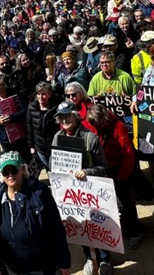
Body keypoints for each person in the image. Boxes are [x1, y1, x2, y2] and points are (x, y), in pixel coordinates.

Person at [0, 151, 71, 275]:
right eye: (6, 172)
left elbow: (56, 228)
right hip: (11, 268)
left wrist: (64, 262)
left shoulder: (39, 193)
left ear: (23, 169)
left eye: (14, 170)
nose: (10, 175)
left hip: (39, 267)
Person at [51, 101, 109, 275]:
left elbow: (103, 166)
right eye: (61, 117)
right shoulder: (57, 138)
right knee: (80, 226)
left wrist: (86, 172)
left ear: (76, 117)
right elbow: (53, 164)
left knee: (98, 225)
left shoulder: (90, 138)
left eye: (68, 116)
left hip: (92, 192)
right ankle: (89, 257)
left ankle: (105, 259)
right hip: (71, 194)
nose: (64, 120)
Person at [83, 104, 142, 250]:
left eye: (96, 124)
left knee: (126, 203)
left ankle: (136, 232)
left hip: (119, 170)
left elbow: (128, 154)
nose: (94, 127)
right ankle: (124, 228)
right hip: (103, 169)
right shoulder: (94, 125)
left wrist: (122, 176)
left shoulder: (118, 128)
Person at [0, 73, 31, 164]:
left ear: (5, 85)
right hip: (4, 138)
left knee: (25, 161)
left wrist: (12, 117)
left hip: (19, 137)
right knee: (10, 163)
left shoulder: (16, 96)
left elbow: (25, 110)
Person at [27, 81, 61, 171]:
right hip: (40, 147)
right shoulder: (31, 108)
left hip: (54, 147)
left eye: (43, 94)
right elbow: (30, 128)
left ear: (49, 94)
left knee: (55, 170)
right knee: (48, 169)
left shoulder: (56, 108)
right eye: (38, 94)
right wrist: (31, 146)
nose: (40, 97)